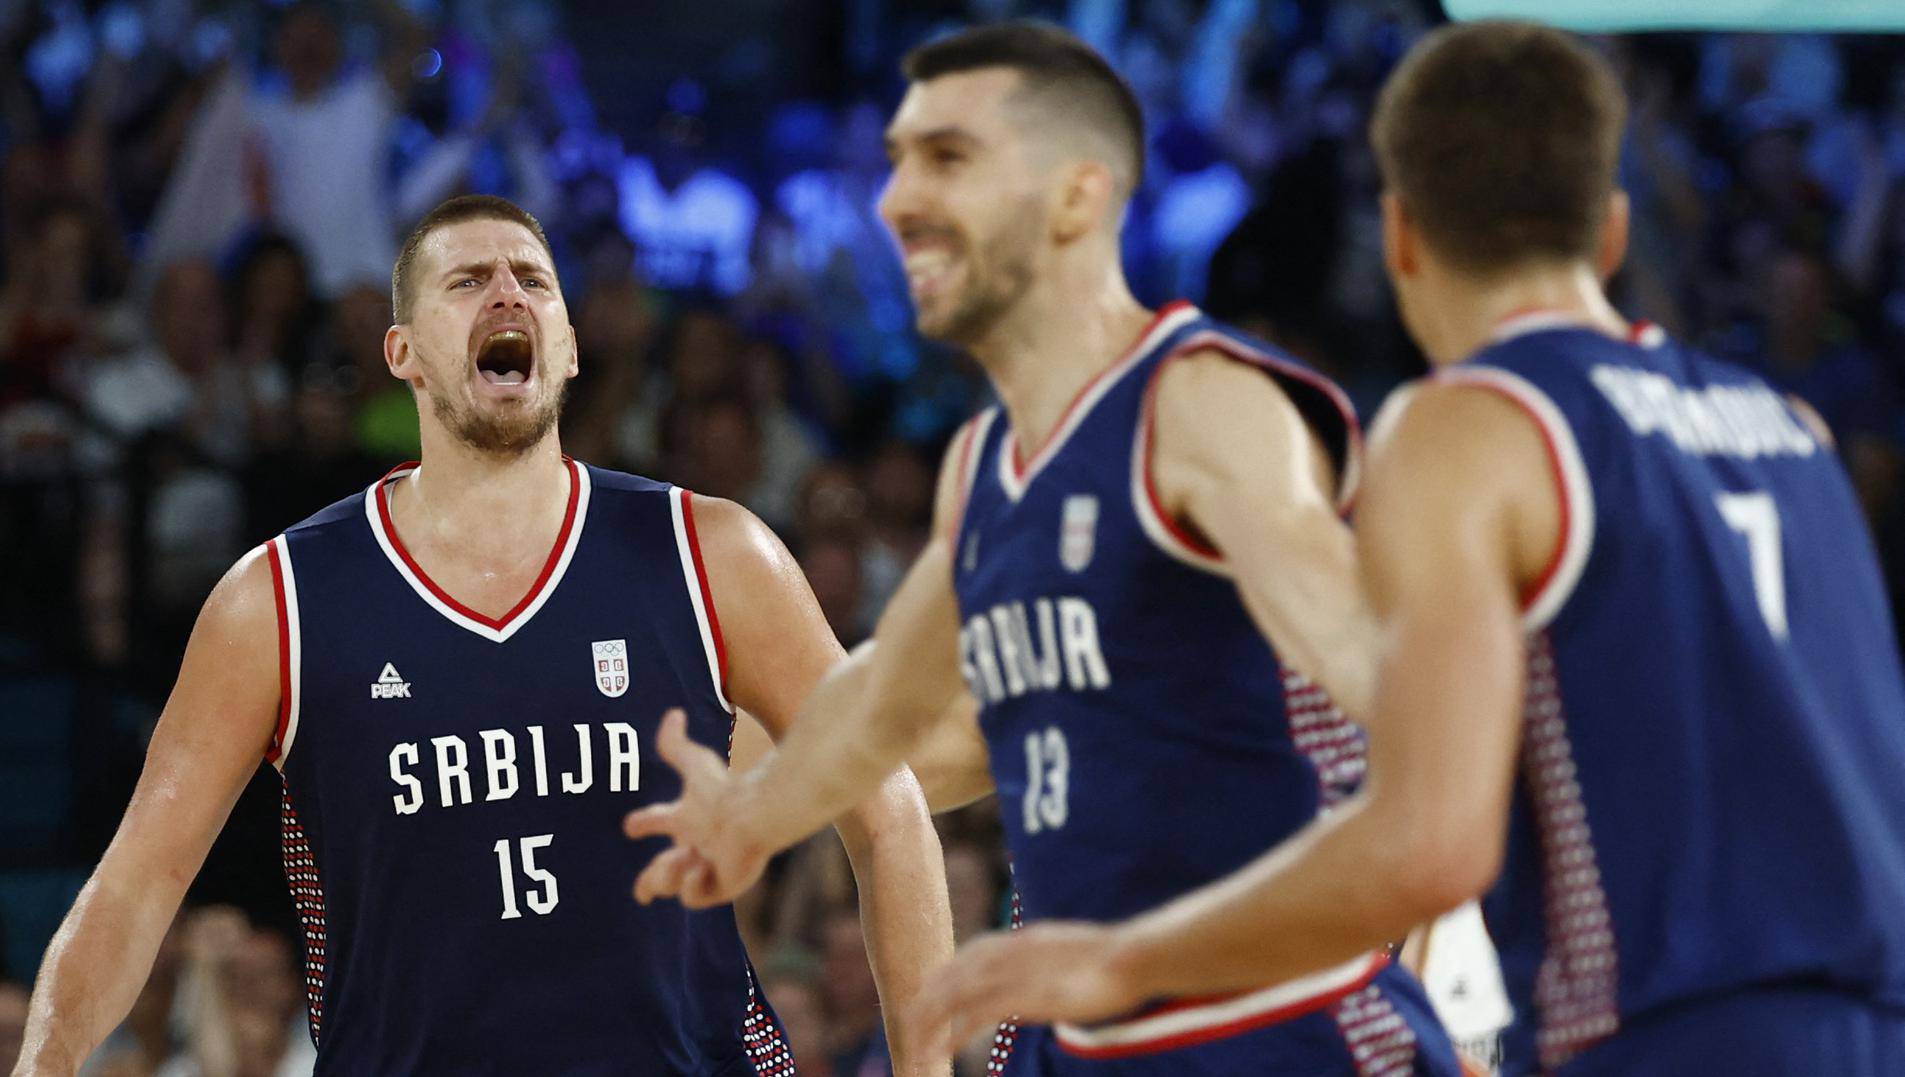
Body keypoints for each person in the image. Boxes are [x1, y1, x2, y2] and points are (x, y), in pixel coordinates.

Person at [910, 21, 1905, 1077]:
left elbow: (1431, 842)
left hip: (1671, 1031)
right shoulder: (1792, 433)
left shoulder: (1470, 427)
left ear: (1400, 238)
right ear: (1610, 234)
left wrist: (1124, 957)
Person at [625, 22, 1459, 1075]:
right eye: (899, 163)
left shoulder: (1201, 407)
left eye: (950, 161)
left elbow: (1395, 685)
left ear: (1076, 197)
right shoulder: (989, 466)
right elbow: (889, 716)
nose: (899, 203)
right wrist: (739, 812)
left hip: (1264, 1026)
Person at [15, 194, 953, 1075]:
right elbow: (135, 888)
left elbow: (888, 810)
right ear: (402, 352)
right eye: (466, 282)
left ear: (571, 347)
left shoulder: (712, 552)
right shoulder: (278, 601)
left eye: (532, 279)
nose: (507, 292)